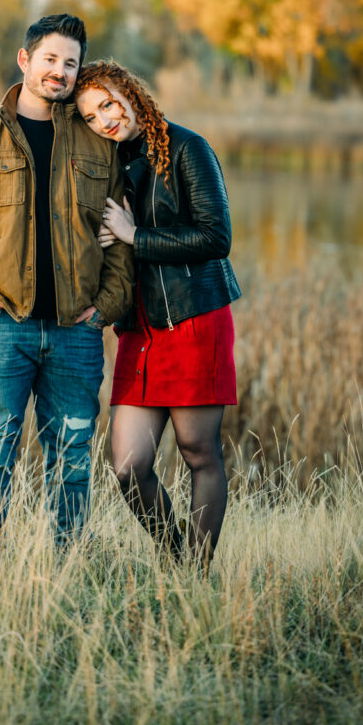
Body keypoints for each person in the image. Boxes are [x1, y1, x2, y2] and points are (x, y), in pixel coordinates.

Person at [0, 16, 133, 543]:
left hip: (75, 333)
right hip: (1, 329)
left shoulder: (97, 142)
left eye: (70, 63)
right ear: (25, 60)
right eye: (50, 59)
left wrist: (106, 306)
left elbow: (120, 232)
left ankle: (64, 577)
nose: (59, 72)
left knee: (72, 458)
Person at [75, 60, 241, 571]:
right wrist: (107, 244)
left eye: (108, 103)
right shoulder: (110, 162)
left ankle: (194, 576)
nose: (104, 119)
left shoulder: (188, 148)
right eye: (90, 115)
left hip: (192, 318)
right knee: (128, 465)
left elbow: (216, 238)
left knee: (198, 450)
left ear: (129, 92)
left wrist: (134, 237)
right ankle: (175, 562)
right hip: (140, 329)